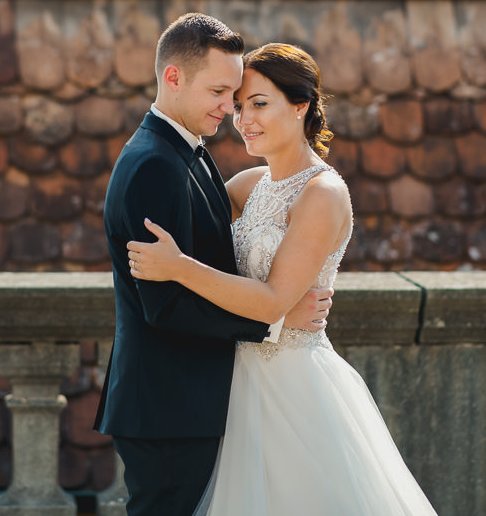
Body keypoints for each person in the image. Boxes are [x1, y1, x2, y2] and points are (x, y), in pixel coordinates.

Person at [127, 42, 439, 516]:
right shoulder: (248, 186)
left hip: (294, 387)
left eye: (258, 104)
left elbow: (271, 300)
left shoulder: (323, 193)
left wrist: (179, 267)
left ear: (301, 105)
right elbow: (187, 226)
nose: (243, 120)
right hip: (232, 384)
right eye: (238, 107)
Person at [93, 14, 334, 516]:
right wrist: (274, 320)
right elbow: (165, 307)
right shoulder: (155, 164)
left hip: (200, 400)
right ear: (173, 78)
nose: (230, 109)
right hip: (168, 406)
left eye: (238, 97)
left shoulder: (189, 151)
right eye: (221, 93)